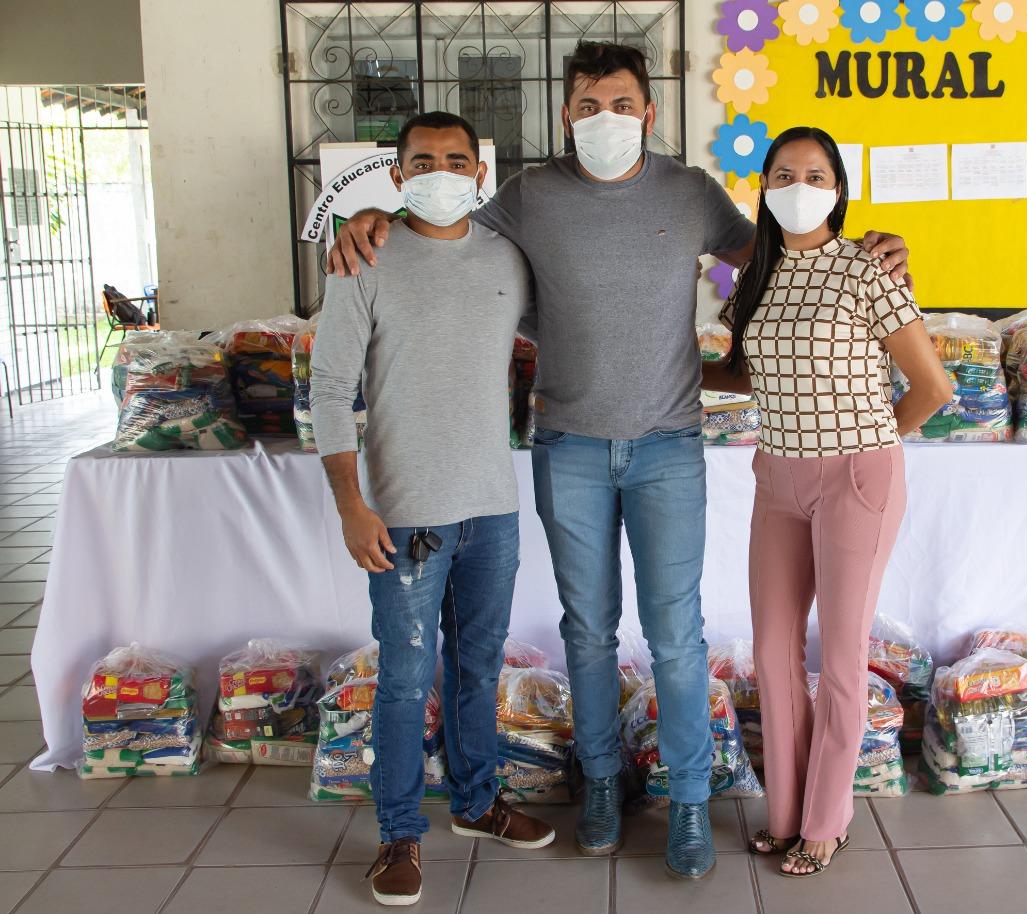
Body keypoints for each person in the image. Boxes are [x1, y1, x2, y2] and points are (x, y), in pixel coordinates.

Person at [327, 41, 913, 880]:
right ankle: (601, 783)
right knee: (588, 632)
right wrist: (367, 220)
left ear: (649, 112)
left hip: (670, 446)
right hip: (566, 444)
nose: (607, 120)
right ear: (566, 113)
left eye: (623, 105)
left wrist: (877, 249)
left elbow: (787, 255)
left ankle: (683, 801)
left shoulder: (692, 193)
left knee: (676, 635)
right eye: (590, 106)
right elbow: (441, 236)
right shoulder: (528, 197)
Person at [310, 111, 554, 908]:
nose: (442, 171)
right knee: (407, 677)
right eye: (424, 160)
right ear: (399, 174)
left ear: (481, 174)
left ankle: (478, 804)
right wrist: (352, 504)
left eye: (457, 158)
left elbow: (569, 327)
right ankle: (399, 833)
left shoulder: (509, 259)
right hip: (406, 511)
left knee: (479, 666)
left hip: (492, 504)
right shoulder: (365, 259)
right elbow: (329, 389)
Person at [703, 126, 950, 878]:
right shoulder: (757, 276)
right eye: (783, 172)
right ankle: (785, 815)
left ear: (838, 189)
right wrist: (674, 372)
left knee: (840, 658)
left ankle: (827, 820)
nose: (798, 184)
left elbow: (932, 388)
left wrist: (869, 448)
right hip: (776, 478)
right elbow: (751, 375)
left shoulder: (866, 269)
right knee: (774, 654)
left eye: (814, 173)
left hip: (856, 479)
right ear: (765, 186)